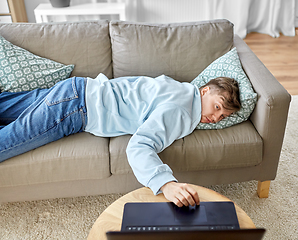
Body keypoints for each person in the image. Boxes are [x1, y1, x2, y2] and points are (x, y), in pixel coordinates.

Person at [0, 74, 240, 207]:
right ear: (205, 91)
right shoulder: (182, 110)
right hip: (75, 107)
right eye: (217, 107)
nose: (216, 118)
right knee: (9, 141)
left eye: (223, 116)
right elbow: (140, 145)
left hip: (76, 87)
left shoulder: (179, 88)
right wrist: (166, 184)